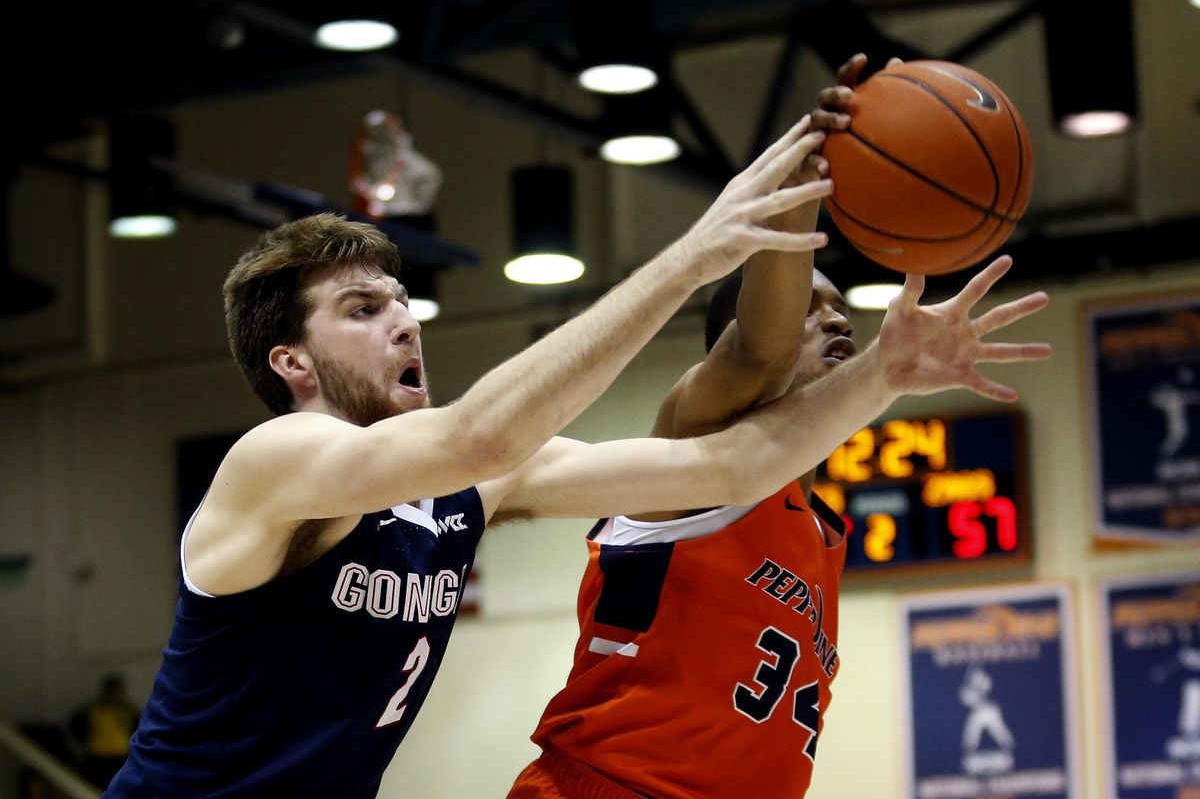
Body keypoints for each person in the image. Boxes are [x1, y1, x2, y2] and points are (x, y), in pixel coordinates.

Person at [101, 120, 836, 799]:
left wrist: (895, 369)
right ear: (292, 361)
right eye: (363, 310)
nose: (403, 322)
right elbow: (482, 437)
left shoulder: (464, 489)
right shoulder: (277, 459)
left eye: (400, 302)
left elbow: (731, 472)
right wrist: (689, 260)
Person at [506, 54, 1033, 799]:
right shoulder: (690, 445)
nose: (838, 318)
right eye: (811, 308)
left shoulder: (821, 536)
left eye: (842, 309)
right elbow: (763, 347)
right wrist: (807, 182)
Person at [70, 674, 140, 789]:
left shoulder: (128, 710)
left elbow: (138, 730)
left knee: (119, 788)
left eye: (116, 689)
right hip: (97, 755)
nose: (113, 693)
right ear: (105, 689)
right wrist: (84, 741)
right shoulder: (92, 708)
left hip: (120, 756)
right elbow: (76, 726)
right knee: (94, 788)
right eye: (110, 689)